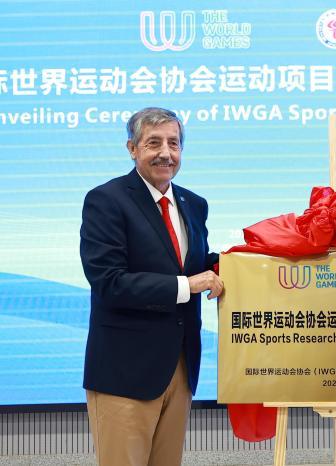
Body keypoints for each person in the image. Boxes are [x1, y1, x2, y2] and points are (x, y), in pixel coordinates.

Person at [80, 107, 223, 465]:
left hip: (180, 366)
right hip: (125, 371)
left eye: (174, 143)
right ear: (132, 148)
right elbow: (109, 281)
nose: (165, 153)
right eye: (153, 143)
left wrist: (250, 267)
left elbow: (194, 263)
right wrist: (186, 285)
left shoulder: (194, 204)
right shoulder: (106, 200)